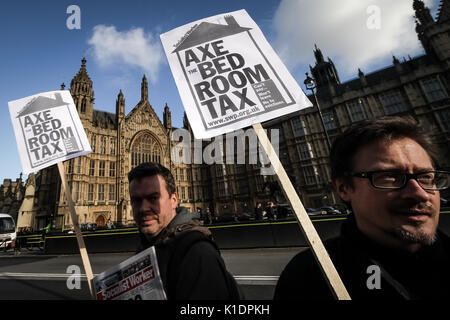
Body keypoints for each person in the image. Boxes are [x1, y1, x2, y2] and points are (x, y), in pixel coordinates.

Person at [274, 116, 450, 300]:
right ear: (343, 188)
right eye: (389, 176)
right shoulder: (306, 280)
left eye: (426, 177)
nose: (419, 193)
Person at [129, 162, 241, 300]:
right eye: (136, 200)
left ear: (174, 200)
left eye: (153, 198)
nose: (143, 208)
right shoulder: (146, 247)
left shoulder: (198, 253)